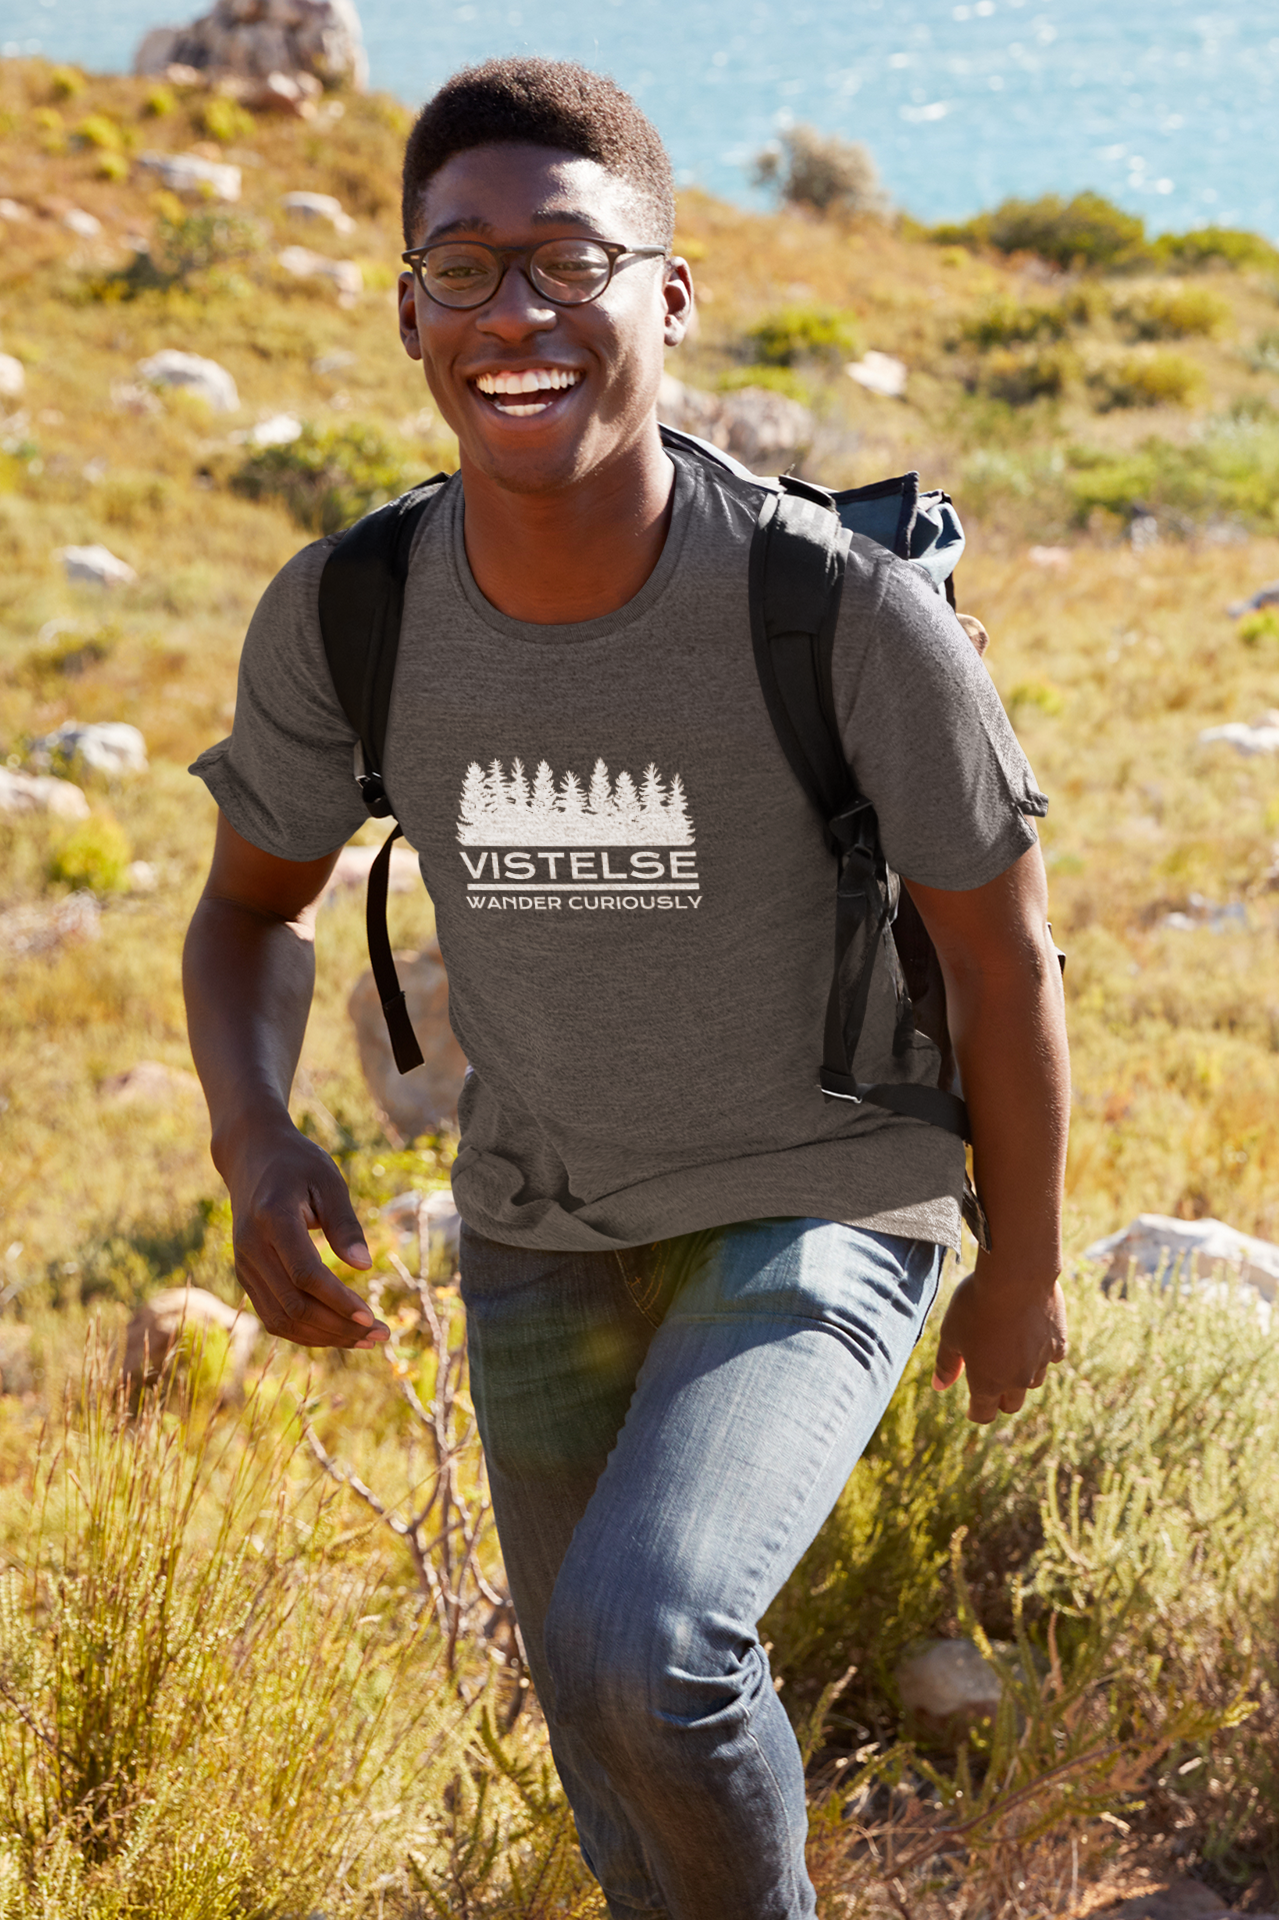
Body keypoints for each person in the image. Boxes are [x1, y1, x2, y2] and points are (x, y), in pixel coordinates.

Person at [183, 57, 1069, 1920]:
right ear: (410, 309)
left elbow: (998, 952)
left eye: (570, 263)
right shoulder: (352, 613)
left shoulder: (836, 609)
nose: (516, 312)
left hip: (821, 1197)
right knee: (603, 1740)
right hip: (537, 1233)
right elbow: (249, 912)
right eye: (463, 267)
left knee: (645, 1644)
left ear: (667, 293)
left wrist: (1029, 1267)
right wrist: (258, 1143)